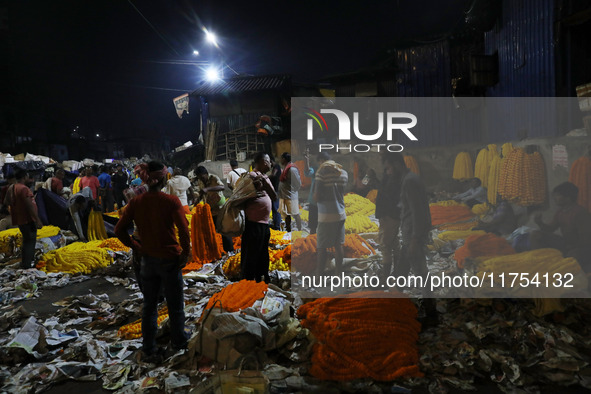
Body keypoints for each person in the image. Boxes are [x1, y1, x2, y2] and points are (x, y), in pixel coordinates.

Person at [115, 161, 190, 362]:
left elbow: (119, 230)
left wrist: (136, 246)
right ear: (165, 178)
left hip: (147, 259)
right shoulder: (171, 201)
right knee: (175, 305)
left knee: (149, 306)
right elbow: (183, 230)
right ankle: (179, 341)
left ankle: (148, 347)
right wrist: (186, 253)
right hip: (169, 259)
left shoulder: (136, 202)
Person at [530, 182, 591, 271]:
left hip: (581, 248)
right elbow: (550, 229)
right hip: (566, 244)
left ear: (568, 198)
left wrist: (573, 249)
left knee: (572, 258)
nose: (555, 198)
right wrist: (540, 223)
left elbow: (586, 239)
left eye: (558, 195)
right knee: (535, 234)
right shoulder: (560, 212)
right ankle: (538, 262)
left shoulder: (580, 213)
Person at [241, 153, 277, 282]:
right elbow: (241, 196)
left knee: (263, 253)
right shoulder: (250, 176)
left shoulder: (265, 177)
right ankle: (248, 281)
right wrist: (254, 186)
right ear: (261, 161)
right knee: (251, 254)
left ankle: (262, 277)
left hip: (264, 223)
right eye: (268, 161)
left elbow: (274, 197)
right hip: (253, 223)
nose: (270, 164)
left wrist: (265, 184)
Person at [314, 156, 348, 275]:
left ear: (322, 162)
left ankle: (318, 275)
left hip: (326, 215)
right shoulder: (344, 173)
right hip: (340, 214)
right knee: (338, 245)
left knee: (322, 247)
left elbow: (316, 196)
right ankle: (338, 274)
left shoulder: (322, 173)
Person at [3, 170, 43, 269]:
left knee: (26, 241)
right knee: (30, 242)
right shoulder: (24, 189)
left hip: (20, 219)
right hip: (28, 219)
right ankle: (27, 265)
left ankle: (25, 263)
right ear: (24, 177)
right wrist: (37, 219)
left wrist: (15, 209)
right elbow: (29, 205)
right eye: (27, 177)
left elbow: (6, 201)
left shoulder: (11, 188)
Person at [376, 155, 402, 279]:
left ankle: (386, 276)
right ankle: (397, 271)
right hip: (388, 214)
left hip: (390, 215)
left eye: (388, 167)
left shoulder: (396, 179)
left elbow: (388, 196)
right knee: (393, 242)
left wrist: (384, 214)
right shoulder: (389, 176)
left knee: (385, 244)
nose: (387, 170)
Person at [195, 166, 233, 252]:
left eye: (202, 177)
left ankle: (230, 251)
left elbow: (222, 187)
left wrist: (208, 189)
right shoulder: (200, 181)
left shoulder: (214, 178)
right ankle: (218, 251)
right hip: (211, 210)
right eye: (199, 178)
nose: (202, 180)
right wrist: (197, 201)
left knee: (224, 230)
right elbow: (202, 192)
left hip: (220, 208)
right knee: (213, 231)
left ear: (206, 174)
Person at [304, 151, 330, 234]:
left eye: (324, 161)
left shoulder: (330, 171)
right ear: (319, 161)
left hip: (325, 202)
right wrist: (306, 161)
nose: (322, 163)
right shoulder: (315, 169)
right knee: (313, 226)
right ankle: (312, 242)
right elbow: (307, 172)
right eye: (321, 161)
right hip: (314, 202)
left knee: (324, 226)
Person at [278, 152, 302, 232]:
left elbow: (298, 183)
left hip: (290, 196)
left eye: (281, 158)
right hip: (285, 195)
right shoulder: (286, 167)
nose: (280, 160)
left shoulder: (292, 169)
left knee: (295, 214)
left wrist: (292, 190)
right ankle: (289, 230)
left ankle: (300, 231)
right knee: (286, 215)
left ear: (284, 159)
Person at [268, 155, 282, 231]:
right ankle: (275, 224)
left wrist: (265, 177)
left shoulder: (276, 166)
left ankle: (277, 226)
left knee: (276, 208)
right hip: (275, 190)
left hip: (276, 190)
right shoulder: (275, 167)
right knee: (274, 208)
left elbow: (273, 175)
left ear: (271, 161)